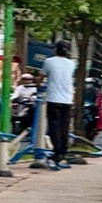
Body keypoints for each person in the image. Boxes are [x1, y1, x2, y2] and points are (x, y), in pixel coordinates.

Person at [41, 39, 76, 170]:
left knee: (53, 126)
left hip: (53, 98)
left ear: (55, 49)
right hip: (67, 99)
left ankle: (56, 152)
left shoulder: (48, 62)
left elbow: (41, 77)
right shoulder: (72, 64)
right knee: (64, 126)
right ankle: (63, 152)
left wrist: (39, 83)